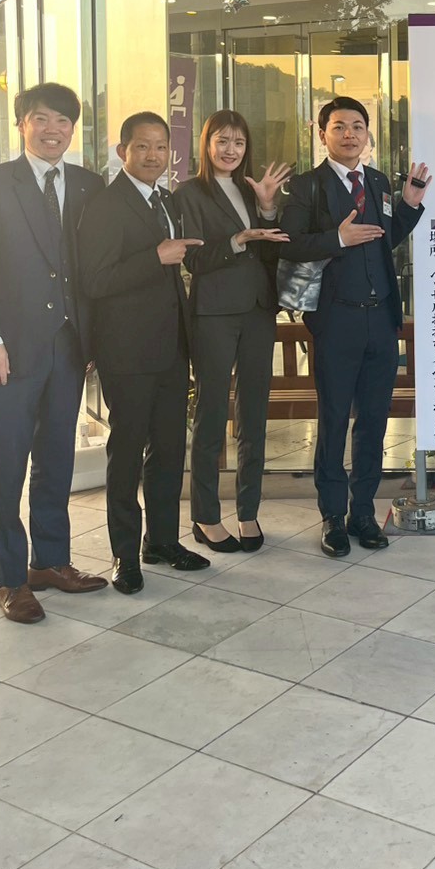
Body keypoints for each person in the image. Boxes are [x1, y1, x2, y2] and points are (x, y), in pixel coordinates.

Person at [0, 83, 108, 623]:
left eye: (63, 121)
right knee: (9, 461)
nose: (53, 130)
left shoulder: (88, 185)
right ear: (21, 124)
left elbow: (92, 266)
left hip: (69, 347)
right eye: (41, 119)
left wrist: (93, 339)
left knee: (56, 457)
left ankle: (50, 561)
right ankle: (11, 578)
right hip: (12, 349)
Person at [280, 98, 429, 557]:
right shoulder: (307, 186)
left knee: (374, 422)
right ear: (321, 133)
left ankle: (363, 512)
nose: (349, 134)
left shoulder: (378, 182)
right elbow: (290, 244)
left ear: (367, 134)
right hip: (336, 320)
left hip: (381, 320)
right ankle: (332, 516)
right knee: (333, 420)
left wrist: (409, 206)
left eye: (358, 126)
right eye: (339, 126)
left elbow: (384, 240)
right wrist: (337, 238)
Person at [79, 112, 210, 593]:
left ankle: (162, 542)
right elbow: (96, 280)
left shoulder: (166, 200)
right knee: (127, 454)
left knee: (170, 450)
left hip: (172, 348)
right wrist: (154, 257)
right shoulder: (104, 205)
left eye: (160, 147)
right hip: (127, 352)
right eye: (142, 146)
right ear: (123, 152)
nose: (153, 155)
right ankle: (125, 554)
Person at [176, 111, 290, 553]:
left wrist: (267, 208)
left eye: (238, 143)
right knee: (210, 415)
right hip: (214, 314)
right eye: (222, 141)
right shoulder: (189, 193)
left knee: (253, 416)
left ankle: (248, 511)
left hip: (258, 311)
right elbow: (193, 259)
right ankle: (205, 516)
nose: (230, 150)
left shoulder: (250, 188)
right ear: (206, 144)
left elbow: (272, 250)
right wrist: (237, 240)